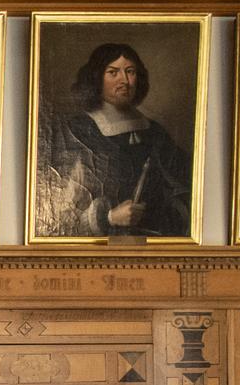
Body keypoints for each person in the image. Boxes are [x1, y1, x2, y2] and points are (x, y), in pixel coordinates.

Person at [44, 42, 190, 238]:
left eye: (130, 72)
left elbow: (184, 190)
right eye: (113, 73)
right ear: (97, 79)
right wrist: (110, 218)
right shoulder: (77, 130)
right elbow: (60, 212)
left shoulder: (155, 132)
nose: (125, 81)